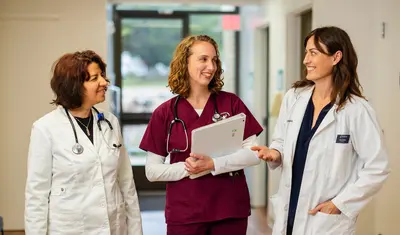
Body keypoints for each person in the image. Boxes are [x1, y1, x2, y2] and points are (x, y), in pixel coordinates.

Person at [251, 26, 390, 235]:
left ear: (336, 57)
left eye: (313, 53)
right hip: (288, 213)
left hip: (325, 222)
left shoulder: (356, 109)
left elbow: (377, 167)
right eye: (306, 52)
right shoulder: (294, 97)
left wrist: (339, 204)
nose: (306, 59)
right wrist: (275, 153)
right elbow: (280, 140)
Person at [139, 35, 263, 235]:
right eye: (203, 59)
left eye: (214, 60)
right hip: (185, 212)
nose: (211, 67)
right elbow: (152, 171)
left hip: (229, 209)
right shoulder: (165, 112)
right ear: (184, 62)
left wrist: (213, 164)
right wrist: (190, 168)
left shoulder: (231, 104)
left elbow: (254, 154)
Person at [25, 50, 143, 235]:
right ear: (74, 86)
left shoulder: (110, 122)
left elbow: (126, 183)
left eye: (102, 76)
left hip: (114, 226)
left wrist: (136, 230)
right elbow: (37, 195)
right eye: (95, 78)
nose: (104, 82)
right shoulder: (45, 128)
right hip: (70, 229)